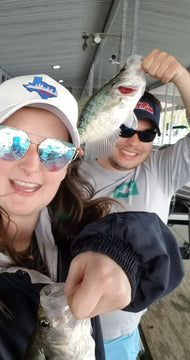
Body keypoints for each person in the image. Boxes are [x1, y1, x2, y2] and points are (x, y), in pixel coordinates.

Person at [0, 73, 184, 360]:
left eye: (54, 151)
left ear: (69, 164)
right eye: (11, 141)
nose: (30, 166)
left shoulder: (81, 233)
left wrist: (123, 257)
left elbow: (157, 254)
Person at [81, 49, 190, 359]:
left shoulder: (161, 170)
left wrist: (181, 76)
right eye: (126, 129)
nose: (133, 142)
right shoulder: (70, 171)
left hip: (123, 336)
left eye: (147, 134)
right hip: (69, 325)